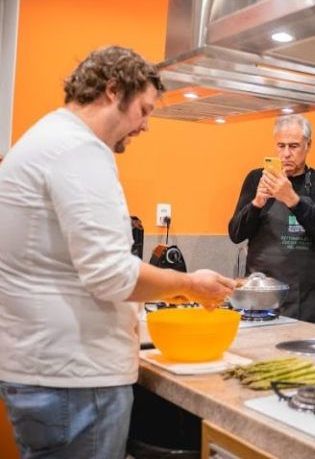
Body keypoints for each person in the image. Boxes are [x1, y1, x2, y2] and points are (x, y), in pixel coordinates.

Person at [0, 46, 235, 459]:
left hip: (48, 370)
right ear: (112, 91)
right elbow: (111, 275)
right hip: (75, 379)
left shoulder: (47, 138)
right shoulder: (79, 149)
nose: (145, 125)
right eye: (143, 109)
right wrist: (190, 286)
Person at [228, 114, 315, 325]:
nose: (286, 154)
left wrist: (292, 199)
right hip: (260, 294)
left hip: (304, 297)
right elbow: (235, 233)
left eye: (294, 146)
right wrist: (257, 203)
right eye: (281, 145)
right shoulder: (256, 178)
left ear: (308, 145)